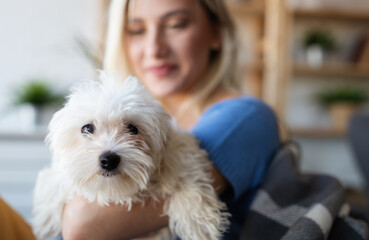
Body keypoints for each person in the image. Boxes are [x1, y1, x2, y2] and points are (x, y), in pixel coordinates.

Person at [61, 0, 281, 239]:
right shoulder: (135, 115)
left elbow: (82, 222)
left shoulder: (245, 117)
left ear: (216, 35)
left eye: (176, 25)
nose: (154, 48)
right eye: (136, 30)